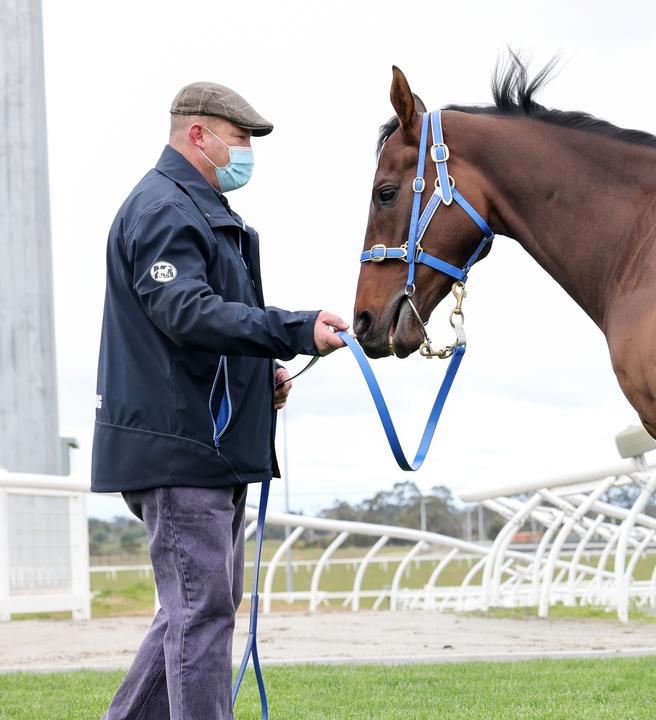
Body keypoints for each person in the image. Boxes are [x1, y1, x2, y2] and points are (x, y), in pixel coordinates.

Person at [92, 81, 349, 720]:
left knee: (192, 610)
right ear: (198, 135)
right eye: (240, 140)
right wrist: (292, 329)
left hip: (205, 449)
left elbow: (200, 332)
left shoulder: (196, 209)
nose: (247, 154)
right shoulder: (163, 209)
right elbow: (185, 311)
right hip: (180, 450)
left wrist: (260, 379)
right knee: (201, 614)